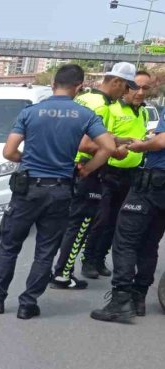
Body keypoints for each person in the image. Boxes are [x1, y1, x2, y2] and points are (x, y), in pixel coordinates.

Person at [0, 64, 115, 320]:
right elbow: (107, 147)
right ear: (79, 87)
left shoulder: (30, 112)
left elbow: (8, 152)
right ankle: (27, 304)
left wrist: (28, 159)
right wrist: (86, 170)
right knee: (45, 250)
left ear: (53, 84)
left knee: (10, 246)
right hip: (61, 190)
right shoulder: (84, 114)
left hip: (28, 188)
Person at [50, 62, 138, 288]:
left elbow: (96, 135)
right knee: (81, 223)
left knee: (71, 221)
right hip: (87, 169)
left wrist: (119, 140)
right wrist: (115, 151)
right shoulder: (101, 105)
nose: (126, 92)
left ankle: (59, 270)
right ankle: (63, 273)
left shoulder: (87, 98)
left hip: (68, 168)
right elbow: (86, 142)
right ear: (116, 81)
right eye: (126, 87)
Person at [90, 110, 165, 322]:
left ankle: (121, 300)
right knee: (149, 243)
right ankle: (138, 297)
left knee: (125, 241)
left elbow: (162, 141)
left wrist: (143, 145)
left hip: (154, 184)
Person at [80, 71, 153, 278]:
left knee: (116, 222)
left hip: (132, 174)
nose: (140, 93)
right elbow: (101, 139)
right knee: (100, 219)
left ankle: (100, 258)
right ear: (125, 88)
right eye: (135, 87)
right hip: (108, 171)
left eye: (145, 89)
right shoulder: (112, 109)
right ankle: (88, 259)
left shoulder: (145, 113)